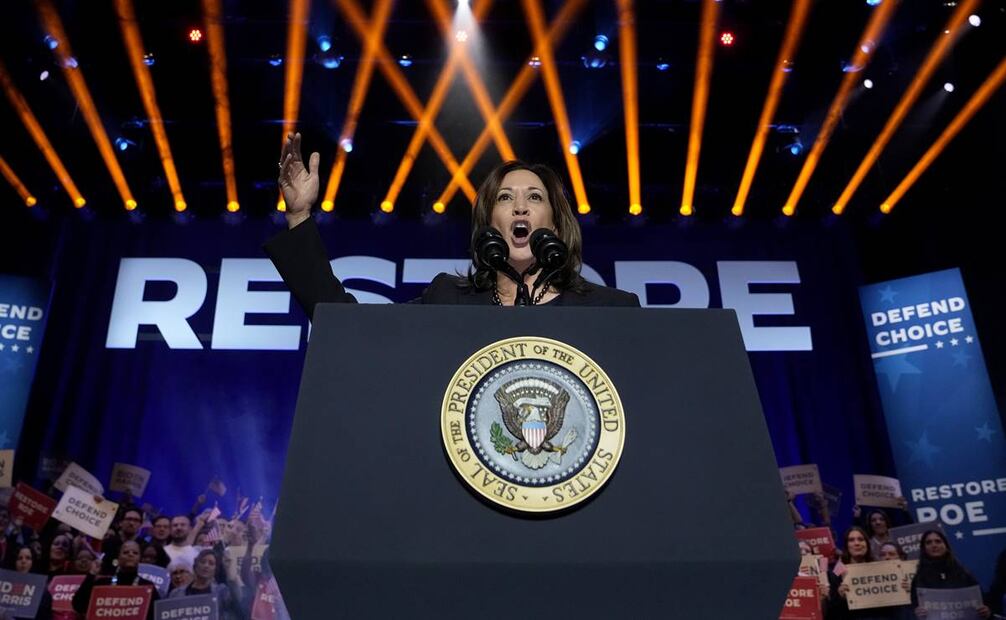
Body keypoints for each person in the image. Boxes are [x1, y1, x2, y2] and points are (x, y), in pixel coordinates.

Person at [266, 132, 639, 314]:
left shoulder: (611, 310)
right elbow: (349, 329)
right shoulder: (448, 300)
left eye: (535, 198)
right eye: (505, 198)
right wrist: (298, 216)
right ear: (489, 225)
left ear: (555, 226)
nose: (520, 208)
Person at [910, 530, 991, 618]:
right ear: (924, 548)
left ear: (946, 546)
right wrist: (917, 613)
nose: (934, 545)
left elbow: (982, 602)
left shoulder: (963, 574)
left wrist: (986, 611)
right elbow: (912, 608)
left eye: (938, 541)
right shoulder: (919, 579)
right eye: (928, 542)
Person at [72, 540, 159, 619]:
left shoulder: (147, 587)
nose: (130, 554)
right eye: (125, 552)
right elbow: (78, 606)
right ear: (118, 558)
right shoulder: (103, 584)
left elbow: (157, 615)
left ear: (140, 559)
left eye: (135, 553)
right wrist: (91, 574)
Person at [168, 549, 243, 620]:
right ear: (196, 565)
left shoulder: (221, 592)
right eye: (203, 562)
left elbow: (238, 602)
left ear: (215, 570)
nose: (206, 565)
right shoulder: (176, 593)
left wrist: (231, 575)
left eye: (211, 563)